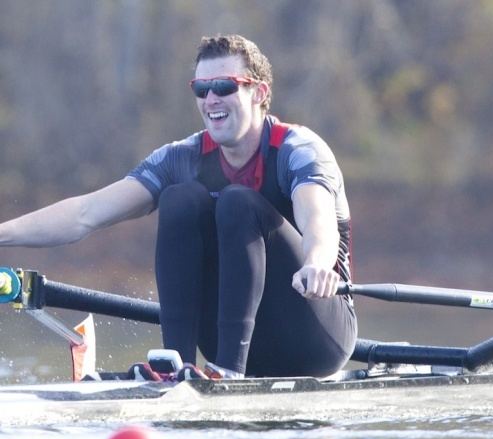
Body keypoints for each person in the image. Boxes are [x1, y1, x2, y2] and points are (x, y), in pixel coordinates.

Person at [0, 34, 357, 380]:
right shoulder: (182, 157)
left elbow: (318, 221)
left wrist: (316, 264)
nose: (211, 99)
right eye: (201, 90)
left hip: (314, 336)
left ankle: (229, 373)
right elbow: (84, 214)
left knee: (237, 202)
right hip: (225, 338)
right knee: (179, 198)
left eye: (225, 86)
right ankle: (175, 367)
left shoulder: (299, 149)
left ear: (259, 93)